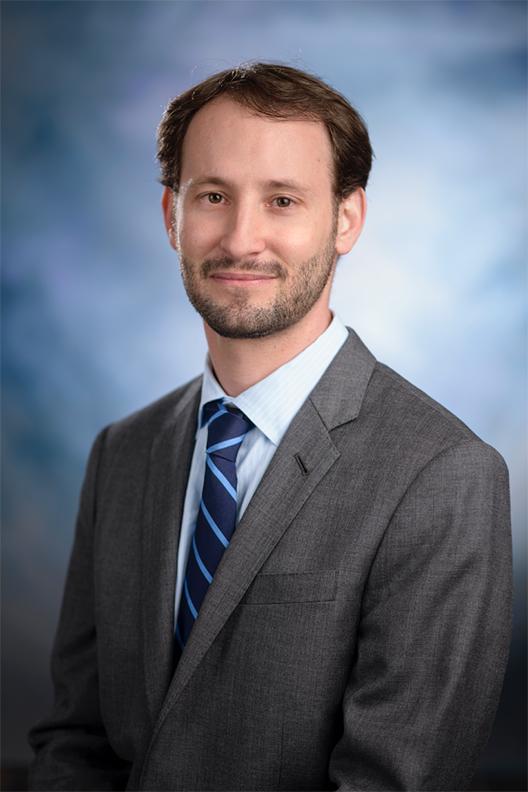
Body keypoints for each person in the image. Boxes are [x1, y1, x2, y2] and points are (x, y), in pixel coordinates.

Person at [28, 62, 512, 791]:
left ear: (346, 220)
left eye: (282, 200)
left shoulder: (442, 475)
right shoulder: (123, 453)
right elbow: (77, 739)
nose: (241, 238)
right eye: (213, 196)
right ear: (171, 216)